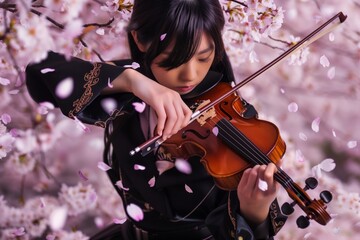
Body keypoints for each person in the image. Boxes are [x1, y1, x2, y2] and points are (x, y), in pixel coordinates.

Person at [25, 0, 287, 239]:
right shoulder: (128, 88)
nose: (190, 75)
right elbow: (41, 70)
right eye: (172, 61)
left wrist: (255, 212)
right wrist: (131, 80)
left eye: (204, 57)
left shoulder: (233, 114)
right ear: (140, 40)